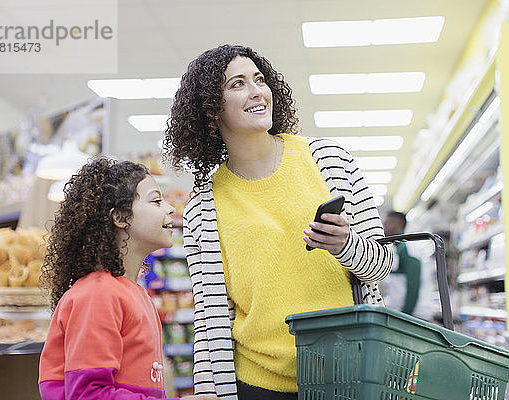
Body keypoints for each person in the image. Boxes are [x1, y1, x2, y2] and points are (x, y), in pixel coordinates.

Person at [163, 44, 393, 400]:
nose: (256, 91)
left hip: (349, 374)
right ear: (211, 109)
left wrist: (346, 245)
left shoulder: (329, 160)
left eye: (259, 79)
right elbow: (212, 321)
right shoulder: (203, 207)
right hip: (260, 383)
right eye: (237, 84)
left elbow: (383, 265)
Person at [38, 157, 216, 400]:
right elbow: (88, 395)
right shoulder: (97, 295)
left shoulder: (131, 292)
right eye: (156, 201)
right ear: (121, 218)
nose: (170, 208)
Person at [382, 211, 424, 317]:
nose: (383, 227)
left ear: (394, 224)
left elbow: (413, 285)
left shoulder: (409, 249)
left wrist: (406, 315)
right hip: (401, 314)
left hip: (413, 316)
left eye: (386, 224)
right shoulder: (397, 247)